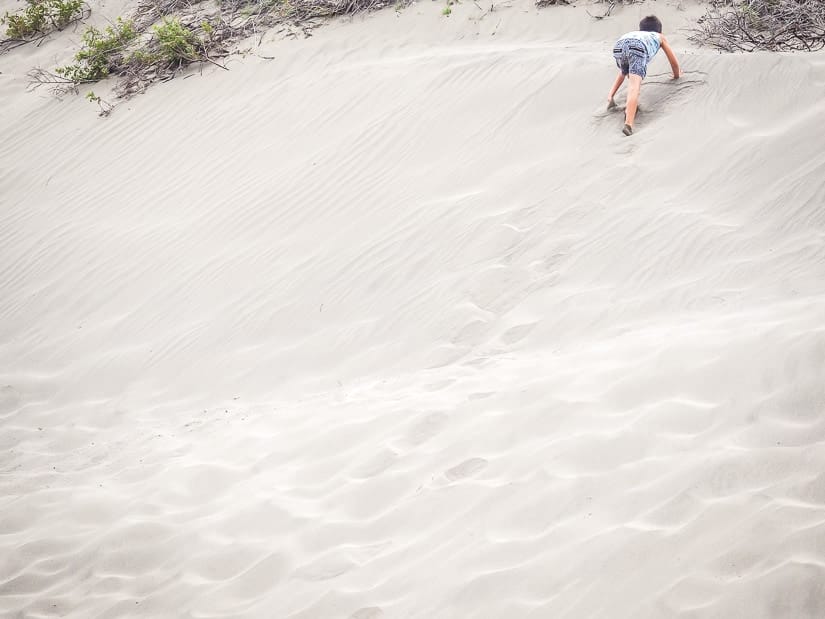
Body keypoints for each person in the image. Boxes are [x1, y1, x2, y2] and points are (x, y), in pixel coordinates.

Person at [607, 15, 681, 136]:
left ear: (641, 29)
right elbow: (673, 62)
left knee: (624, 71)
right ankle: (629, 124)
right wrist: (677, 75)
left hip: (619, 45)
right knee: (634, 86)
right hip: (638, 47)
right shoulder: (659, 36)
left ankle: (610, 96)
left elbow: (622, 72)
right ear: (659, 30)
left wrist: (612, 94)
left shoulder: (635, 33)